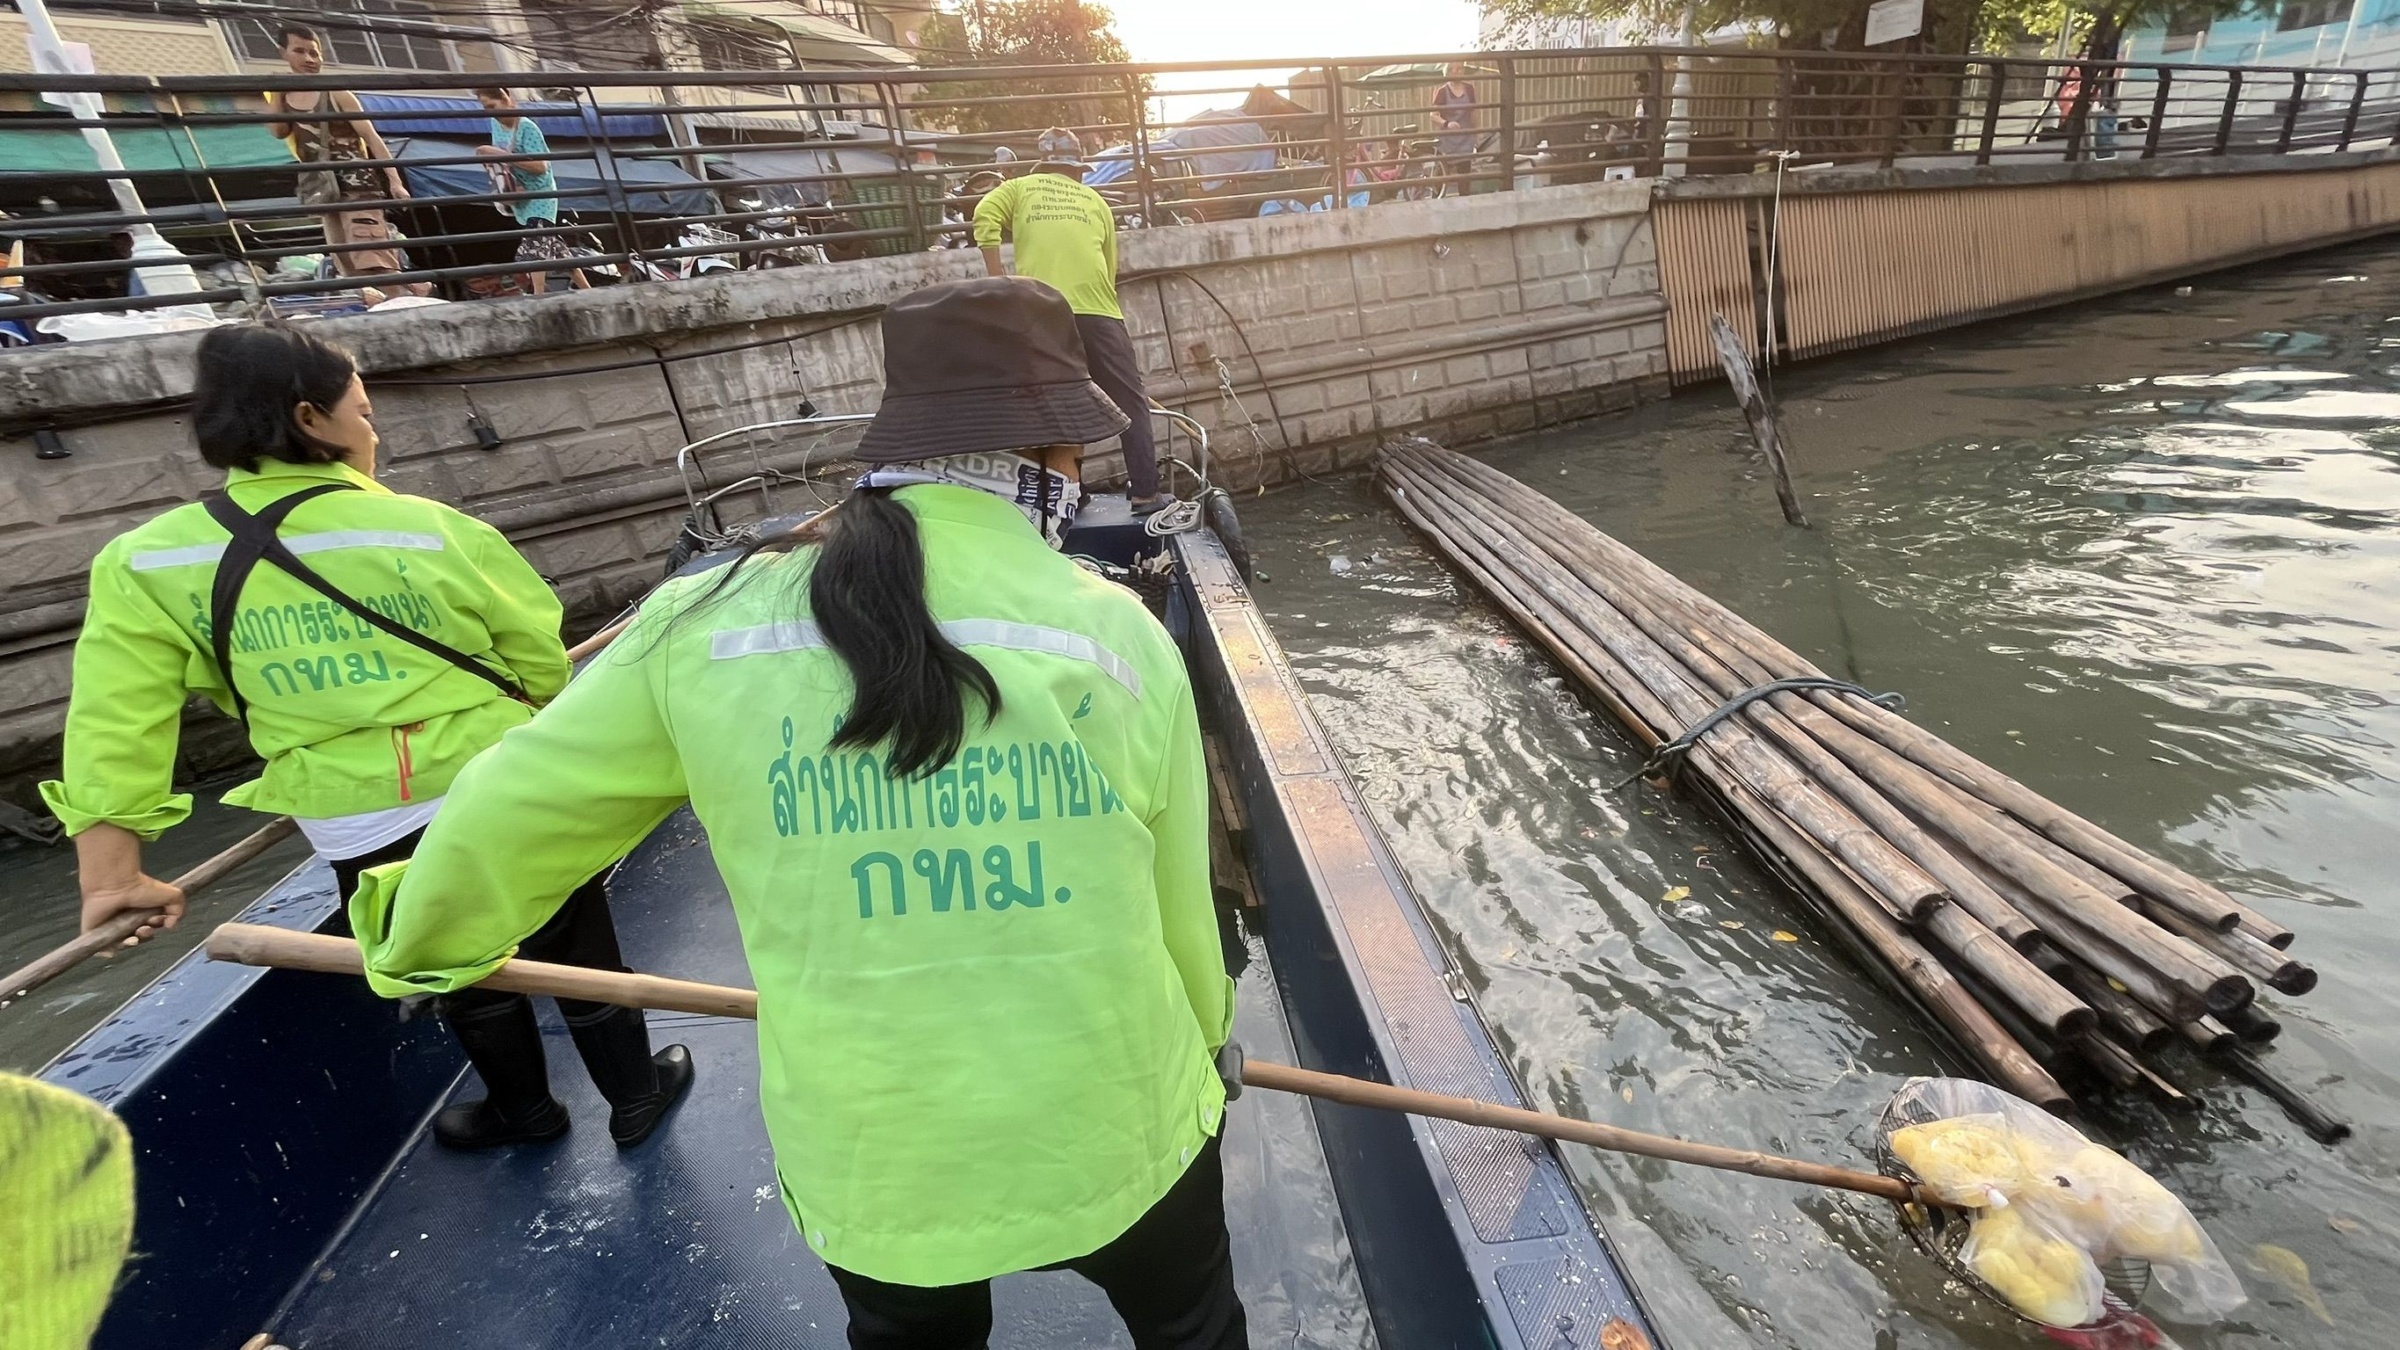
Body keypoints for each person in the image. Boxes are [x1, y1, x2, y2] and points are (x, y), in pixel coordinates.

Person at [348, 278, 1247, 1350]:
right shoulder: (1117, 635)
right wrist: (1209, 1041)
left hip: (878, 1157)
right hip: (1119, 1121)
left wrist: (409, 940)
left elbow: (510, 811)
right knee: (1192, 1330)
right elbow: (1180, 902)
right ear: (1055, 456)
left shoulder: (701, 624)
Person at [40, 324, 691, 1153]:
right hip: (496, 779)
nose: (372, 433)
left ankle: (525, 1114)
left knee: (446, 954)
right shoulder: (429, 528)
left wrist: (112, 874)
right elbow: (536, 655)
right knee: (575, 940)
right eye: (364, 412)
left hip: (355, 813)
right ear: (311, 418)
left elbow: (116, 723)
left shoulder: (145, 564)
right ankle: (635, 1098)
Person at [973, 127, 1168, 515]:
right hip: (1099, 312)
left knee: (1058, 403)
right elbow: (1109, 266)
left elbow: (983, 217)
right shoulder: (1095, 200)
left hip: (1042, 312)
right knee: (1130, 403)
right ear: (1078, 169)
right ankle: (1146, 493)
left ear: (1042, 165)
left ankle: (1070, 494)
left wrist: (1000, 283)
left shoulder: (1019, 188)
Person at [264, 26, 426, 303]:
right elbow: (278, 131)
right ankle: (396, 300)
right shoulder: (285, 97)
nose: (309, 59)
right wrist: (277, 91)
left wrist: (395, 181)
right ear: (283, 53)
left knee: (372, 256)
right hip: (324, 190)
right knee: (345, 264)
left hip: (358, 187)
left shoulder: (337, 93)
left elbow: (372, 138)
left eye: (314, 53)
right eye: (300, 51)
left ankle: (404, 300)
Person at [474, 86, 588, 296]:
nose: (490, 112)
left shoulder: (527, 127)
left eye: (492, 106)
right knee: (554, 247)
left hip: (540, 193)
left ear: (507, 100)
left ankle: (538, 293)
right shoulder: (495, 124)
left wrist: (500, 155)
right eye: (485, 108)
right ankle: (586, 290)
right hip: (521, 194)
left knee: (535, 240)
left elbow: (541, 166)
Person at [1431, 63, 1479, 189]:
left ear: (1463, 71)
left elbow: (1473, 113)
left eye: (1459, 69)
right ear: (1447, 72)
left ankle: (1464, 197)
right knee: (1441, 176)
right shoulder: (1442, 91)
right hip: (1447, 140)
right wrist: (1446, 123)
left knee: (1464, 177)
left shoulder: (1469, 89)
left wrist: (1476, 134)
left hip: (1465, 140)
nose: (1455, 72)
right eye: (1452, 69)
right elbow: (1433, 115)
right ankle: (1437, 195)